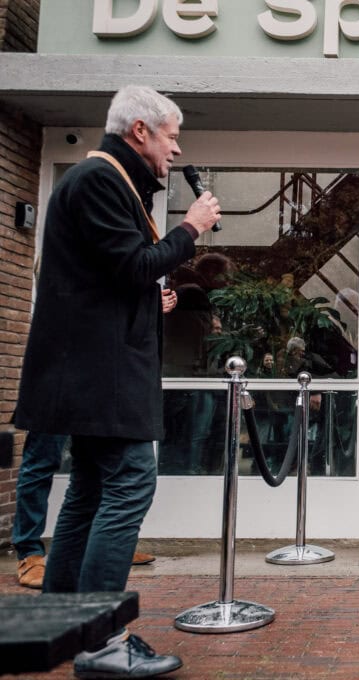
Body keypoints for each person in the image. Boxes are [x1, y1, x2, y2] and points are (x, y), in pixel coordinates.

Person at [14, 85, 220, 678]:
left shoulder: (100, 183)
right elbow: (133, 264)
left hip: (88, 370)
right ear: (139, 131)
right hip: (98, 375)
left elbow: (112, 278)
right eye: (171, 135)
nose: (176, 150)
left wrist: (144, 303)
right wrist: (190, 228)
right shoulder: (101, 180)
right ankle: (103, 641)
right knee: (131, 482)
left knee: (86, 491)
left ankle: (61, 624)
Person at [14, 287, 181, 588]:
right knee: (41, 462)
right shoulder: (66, 271)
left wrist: (149, 303)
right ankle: (29, 552)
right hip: (58, 377)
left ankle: (102, 547)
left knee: (91, 481)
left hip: (95, 383)